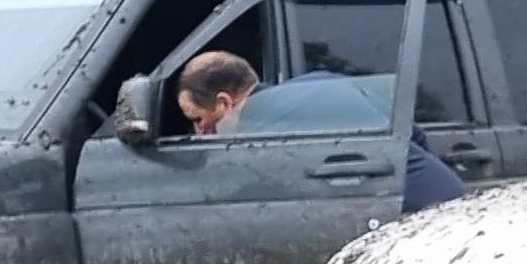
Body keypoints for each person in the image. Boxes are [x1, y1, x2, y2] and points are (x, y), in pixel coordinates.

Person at [173, 50, 466, 212]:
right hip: (451, 200)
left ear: (225, 103)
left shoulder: (261, 127)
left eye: (198, 119)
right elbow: (413, 133)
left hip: (420, 221)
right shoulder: (318, 84)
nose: (200, 133)